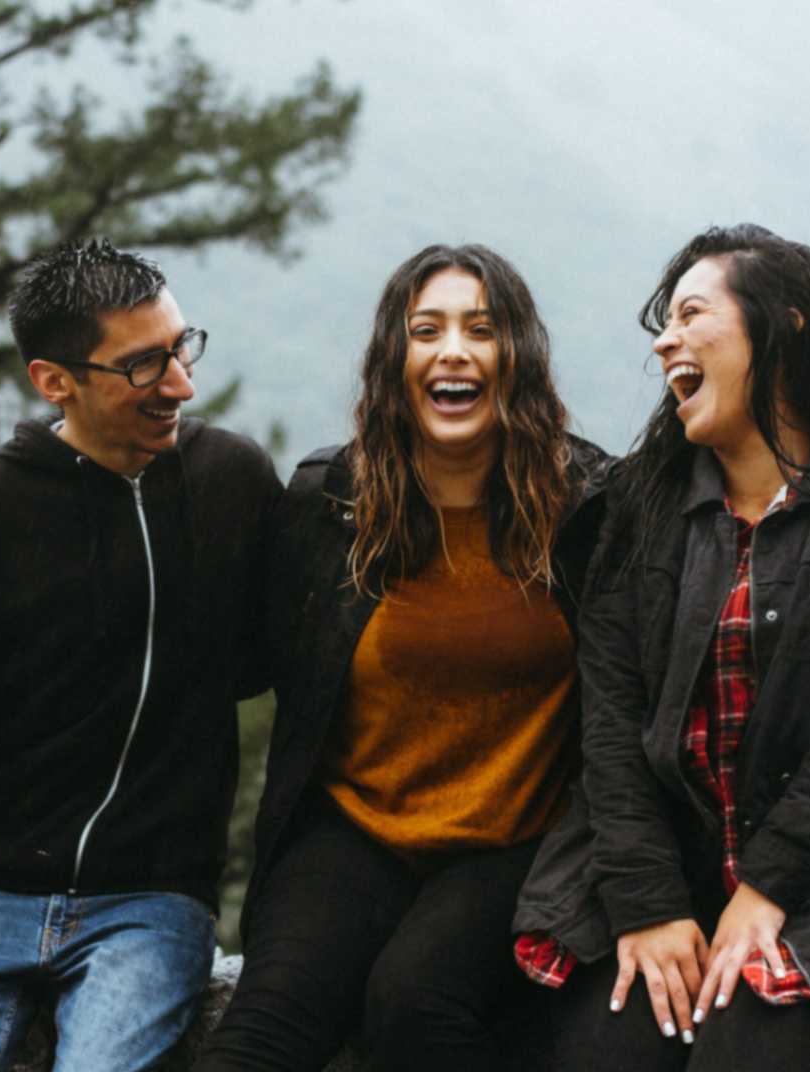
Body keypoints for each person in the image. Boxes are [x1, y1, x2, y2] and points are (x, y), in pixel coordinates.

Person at [515, 223, 810, 1071]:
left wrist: (764, 891)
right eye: (662, 323)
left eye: (690, 313)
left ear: (786, 327)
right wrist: (647, 905)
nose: (664, 340)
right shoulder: (635, 512)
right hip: (672, 883)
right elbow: (608, 723)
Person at [0, 237, 281, 1071]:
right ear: (55, 380)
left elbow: (280, 658)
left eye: (182, 348)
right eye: (145, 366)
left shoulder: (231, 480)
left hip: (150, 906)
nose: (181, 385)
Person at [194, 244, 611, 1072]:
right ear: (396, 359)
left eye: (480, 330)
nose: (452, 350)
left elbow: (695, 632)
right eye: (426, 331)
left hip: (515, 841)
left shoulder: (589, 511)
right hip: (356, 828)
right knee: (259, 1037)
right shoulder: (331, 503)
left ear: (515, 357)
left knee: (412, 1005)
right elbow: (226, 662)